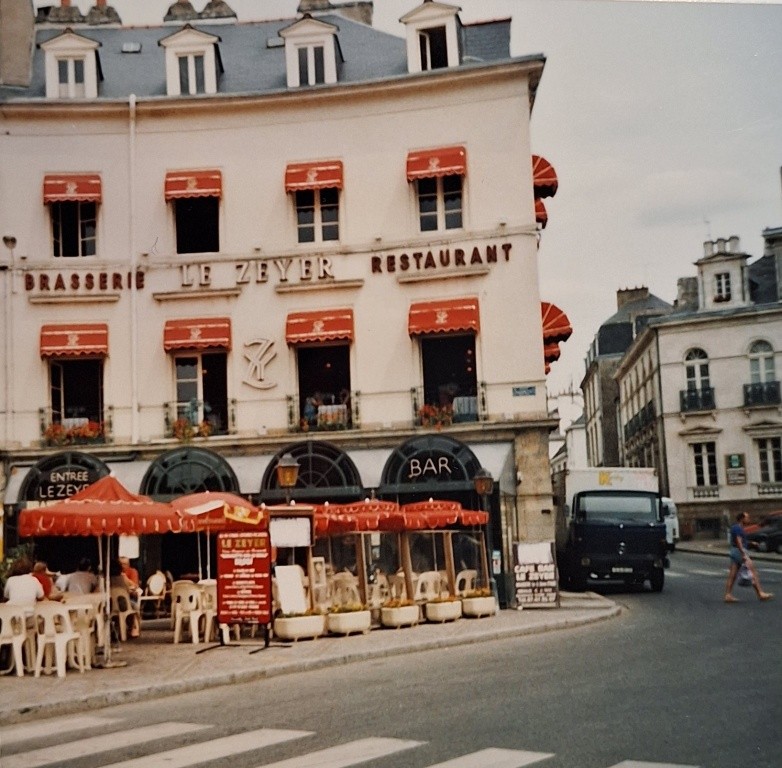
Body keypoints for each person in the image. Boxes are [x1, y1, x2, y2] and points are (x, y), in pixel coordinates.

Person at [724, 511, 773, 603]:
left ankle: (728, 595)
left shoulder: (736, 527)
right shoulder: (738, 528)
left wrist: (750, 543)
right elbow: (738, 541)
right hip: (739, 552)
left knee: (732, 575)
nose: (748, 519)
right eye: (747, 517)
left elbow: (739, 541)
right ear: (742, 519)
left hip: (734, 551)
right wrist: (743, 553)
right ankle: (760, 593)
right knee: (753, 572)